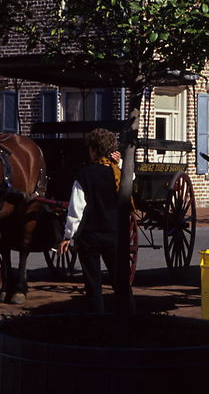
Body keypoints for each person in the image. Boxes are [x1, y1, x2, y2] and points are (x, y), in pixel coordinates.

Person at [57, 128, 122, 313]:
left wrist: (68, 236)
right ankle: (129, 321)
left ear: (93, 150)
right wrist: (119, 163)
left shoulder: (83, 175)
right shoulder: (119, 174)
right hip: (114, 234)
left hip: (90, 237)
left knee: (93, 285)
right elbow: (130, 180)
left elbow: (76, 209)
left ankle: (97, 322)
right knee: (121, 283)